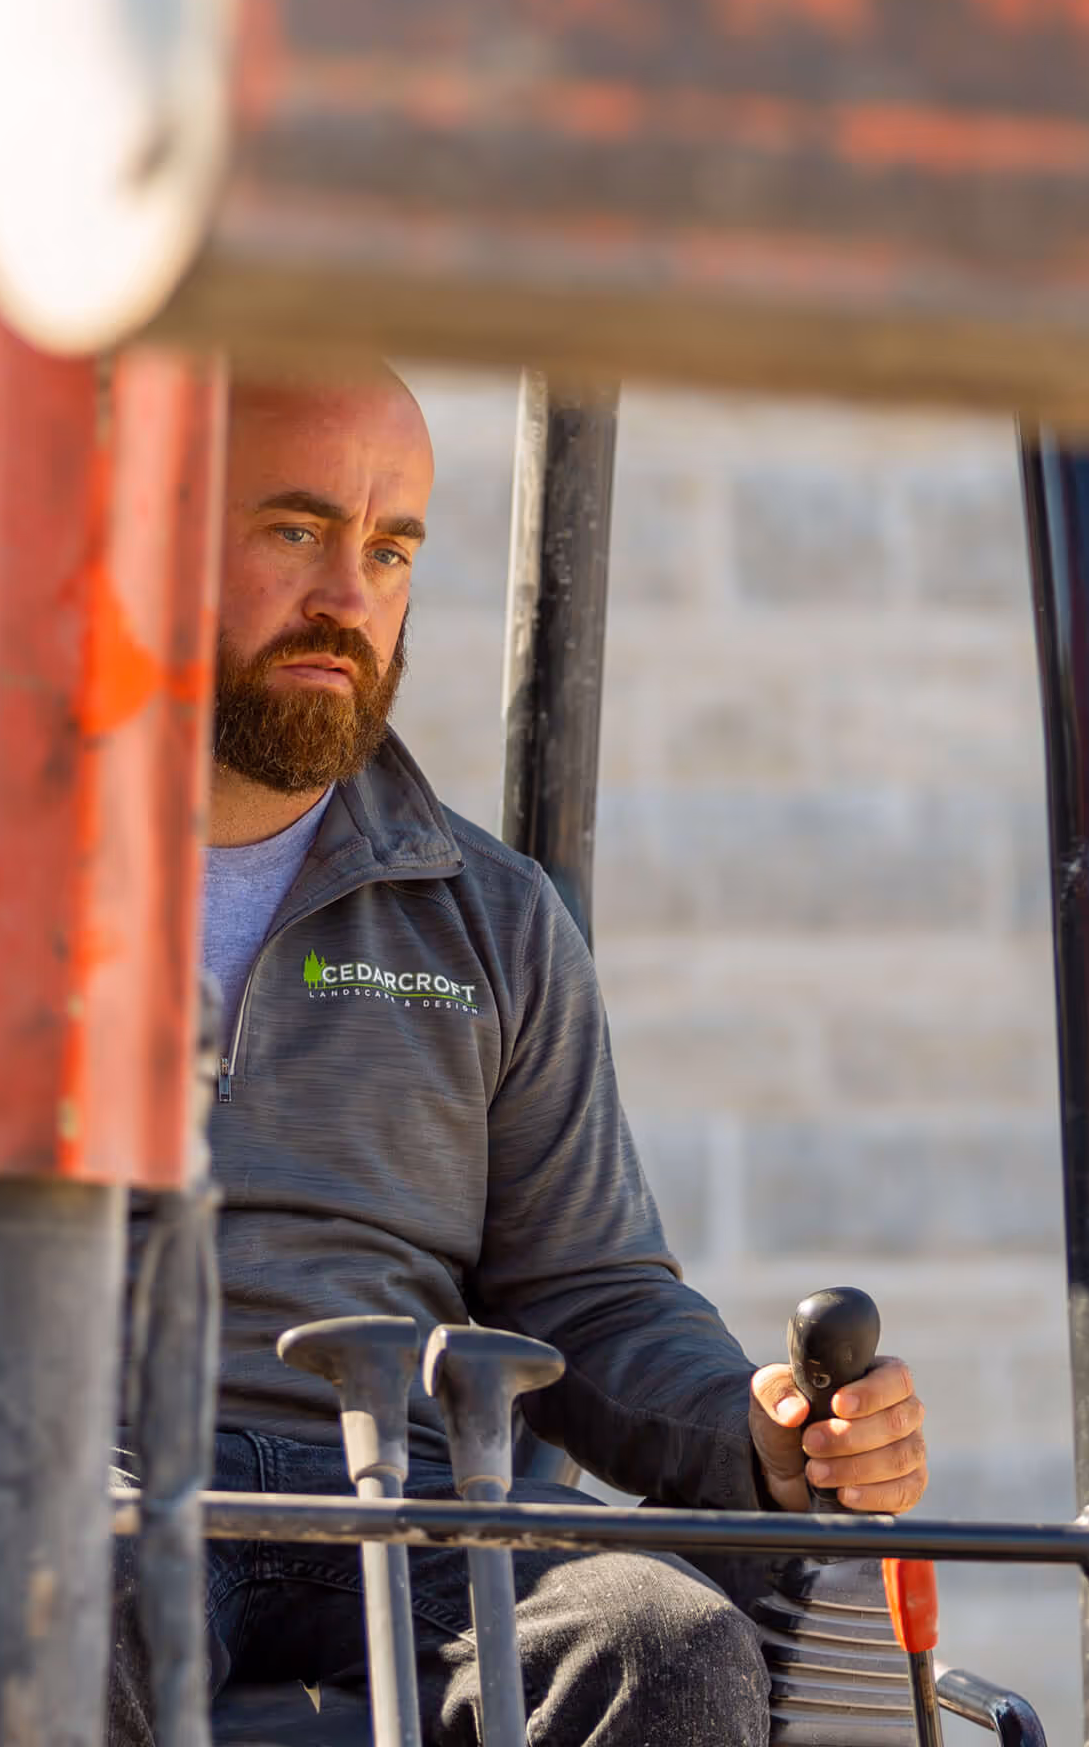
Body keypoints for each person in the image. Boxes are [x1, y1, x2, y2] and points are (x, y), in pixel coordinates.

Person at [107, 368, 927, 1746]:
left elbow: (590, 1293)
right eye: (296, 532)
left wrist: (764, 1431)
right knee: (26, 1591)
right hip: (100, 1483)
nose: (348, 596)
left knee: (662, 1645)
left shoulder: (488, 919)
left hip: (415, 1499)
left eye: (390, 549)